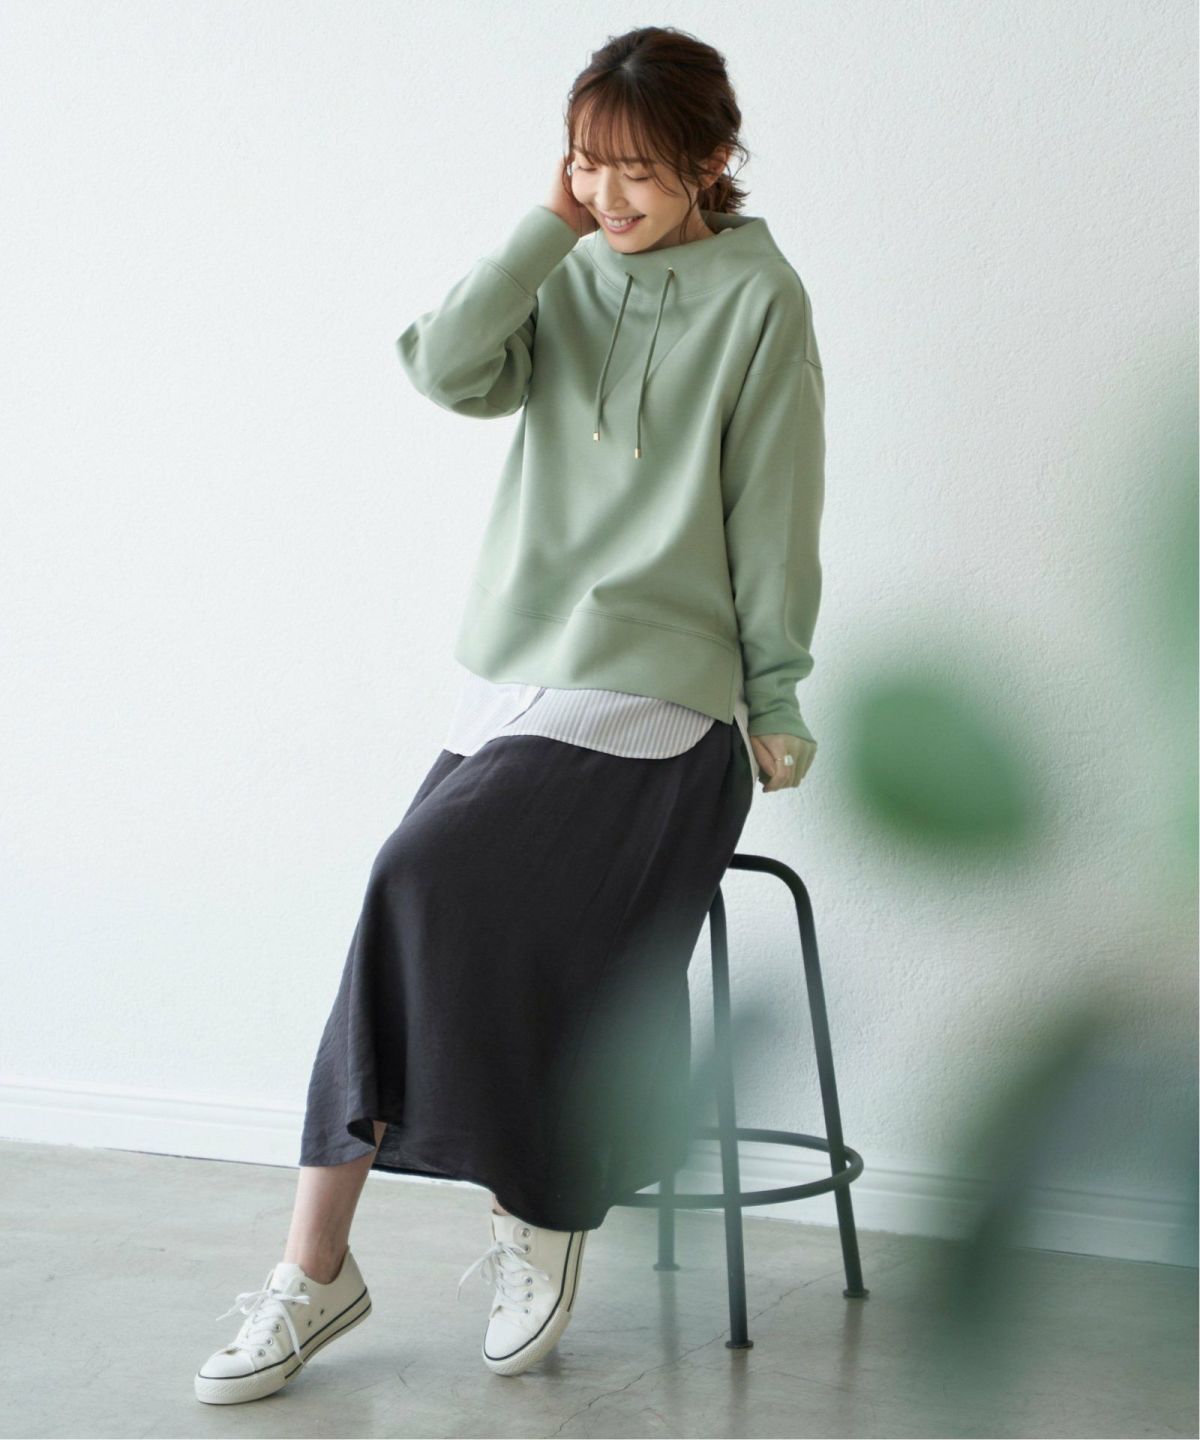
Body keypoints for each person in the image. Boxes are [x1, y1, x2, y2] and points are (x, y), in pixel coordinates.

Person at [194, 22, 825, 1406]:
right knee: (408, 897)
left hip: (667, 695)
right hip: (519, 684)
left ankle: (525, 1202)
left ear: (713, 161)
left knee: (419, 873)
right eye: (588, 164)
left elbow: (772, 510)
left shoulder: (762, 297)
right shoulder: (568, 264)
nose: (609, 194)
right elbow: (446, 368)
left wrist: (777, 695)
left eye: (638, 171)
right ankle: (320, 1268)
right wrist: (547, 231)